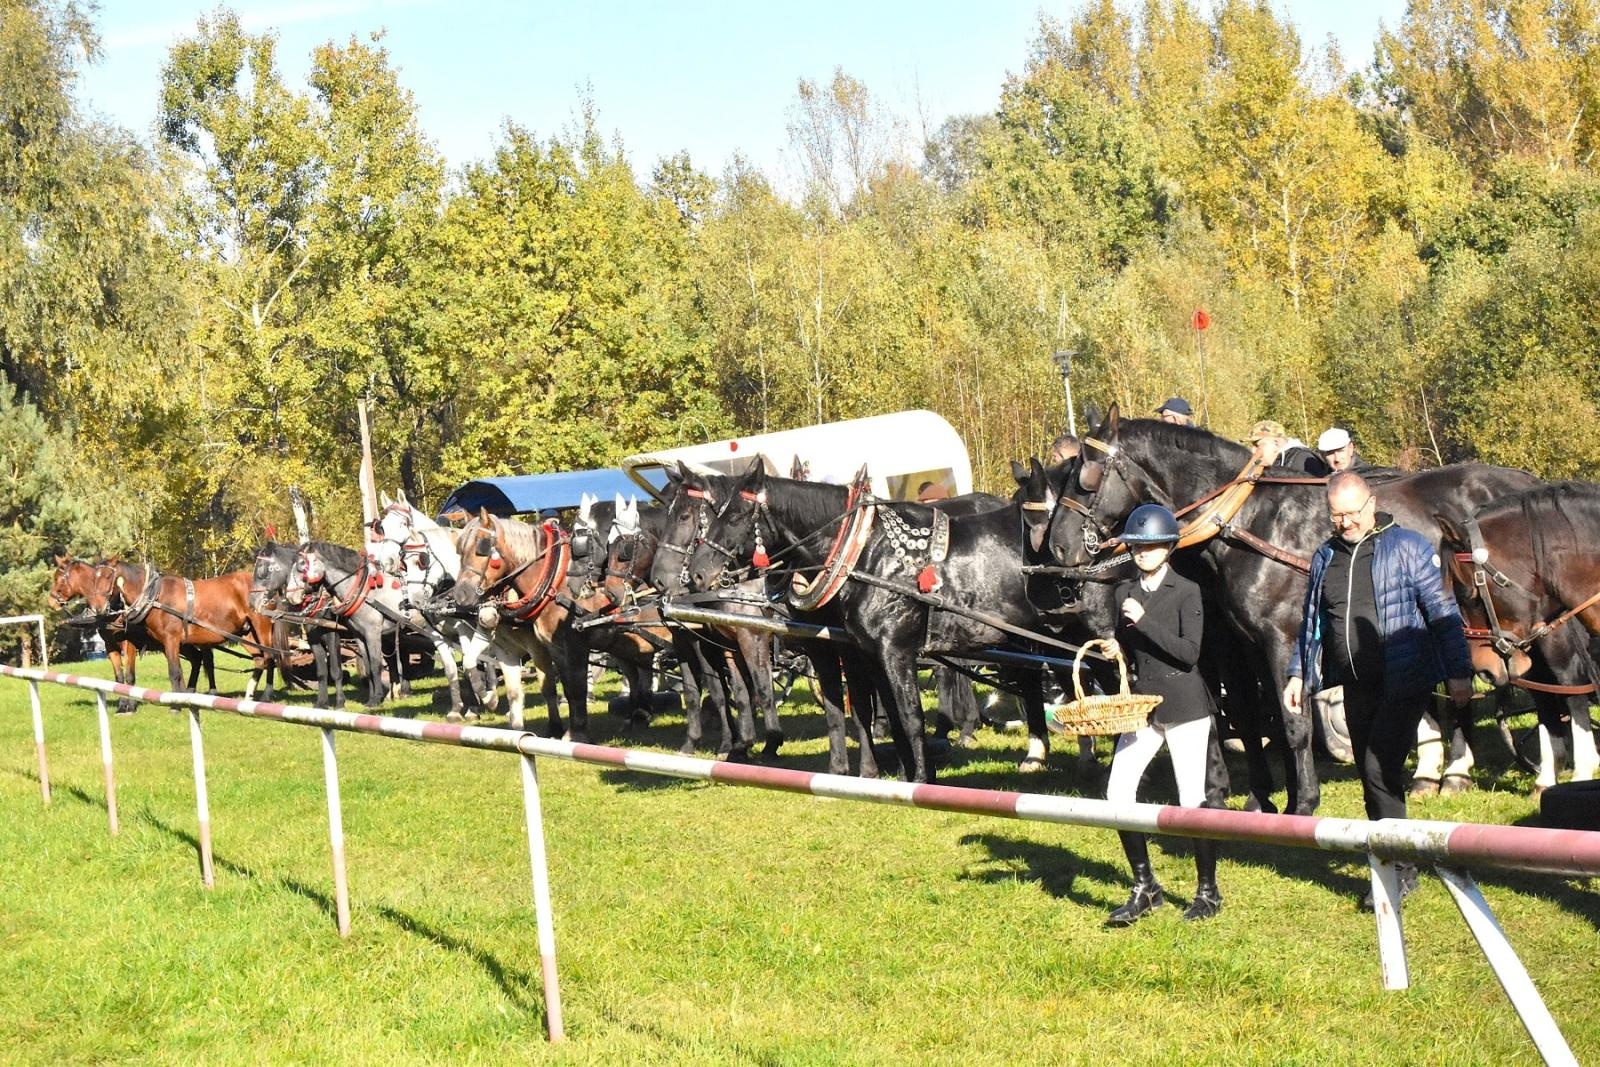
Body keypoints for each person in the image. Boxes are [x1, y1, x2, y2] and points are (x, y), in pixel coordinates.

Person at [1284, 472, 1473, 905]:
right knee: (1370, 776)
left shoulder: (1407, 546)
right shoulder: (1325, 555)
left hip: (1405, 678)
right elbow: (1312, 622)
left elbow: (1442, 612)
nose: (1346, 522)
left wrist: (1458, 673)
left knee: (1377, 767)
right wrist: (1298, 674)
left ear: (1371, 504)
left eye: (1352, 513)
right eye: (1337, 516)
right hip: (1356, 683)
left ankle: (1402, 869)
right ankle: (1388, 858)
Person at [1104, 503, 1223, 925]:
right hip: (1142, 706)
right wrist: (1116, 647)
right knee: (1117, 792)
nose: (1142, 553)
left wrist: (1143, 622)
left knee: (1191, 800)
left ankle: (1208, 891)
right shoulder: (1122, 592)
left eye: (1151, 547)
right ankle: (1145, 886)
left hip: (1186, 704)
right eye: (1137, 547)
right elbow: (1129, 646)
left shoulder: (1187, 590)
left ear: (1169, 548)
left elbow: (1189, 653)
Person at [1249, 419, 1328, 476]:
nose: (1253, 451)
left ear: (1276, 442)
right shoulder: (1277, 461)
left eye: (1258, 446)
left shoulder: (1303, 460)